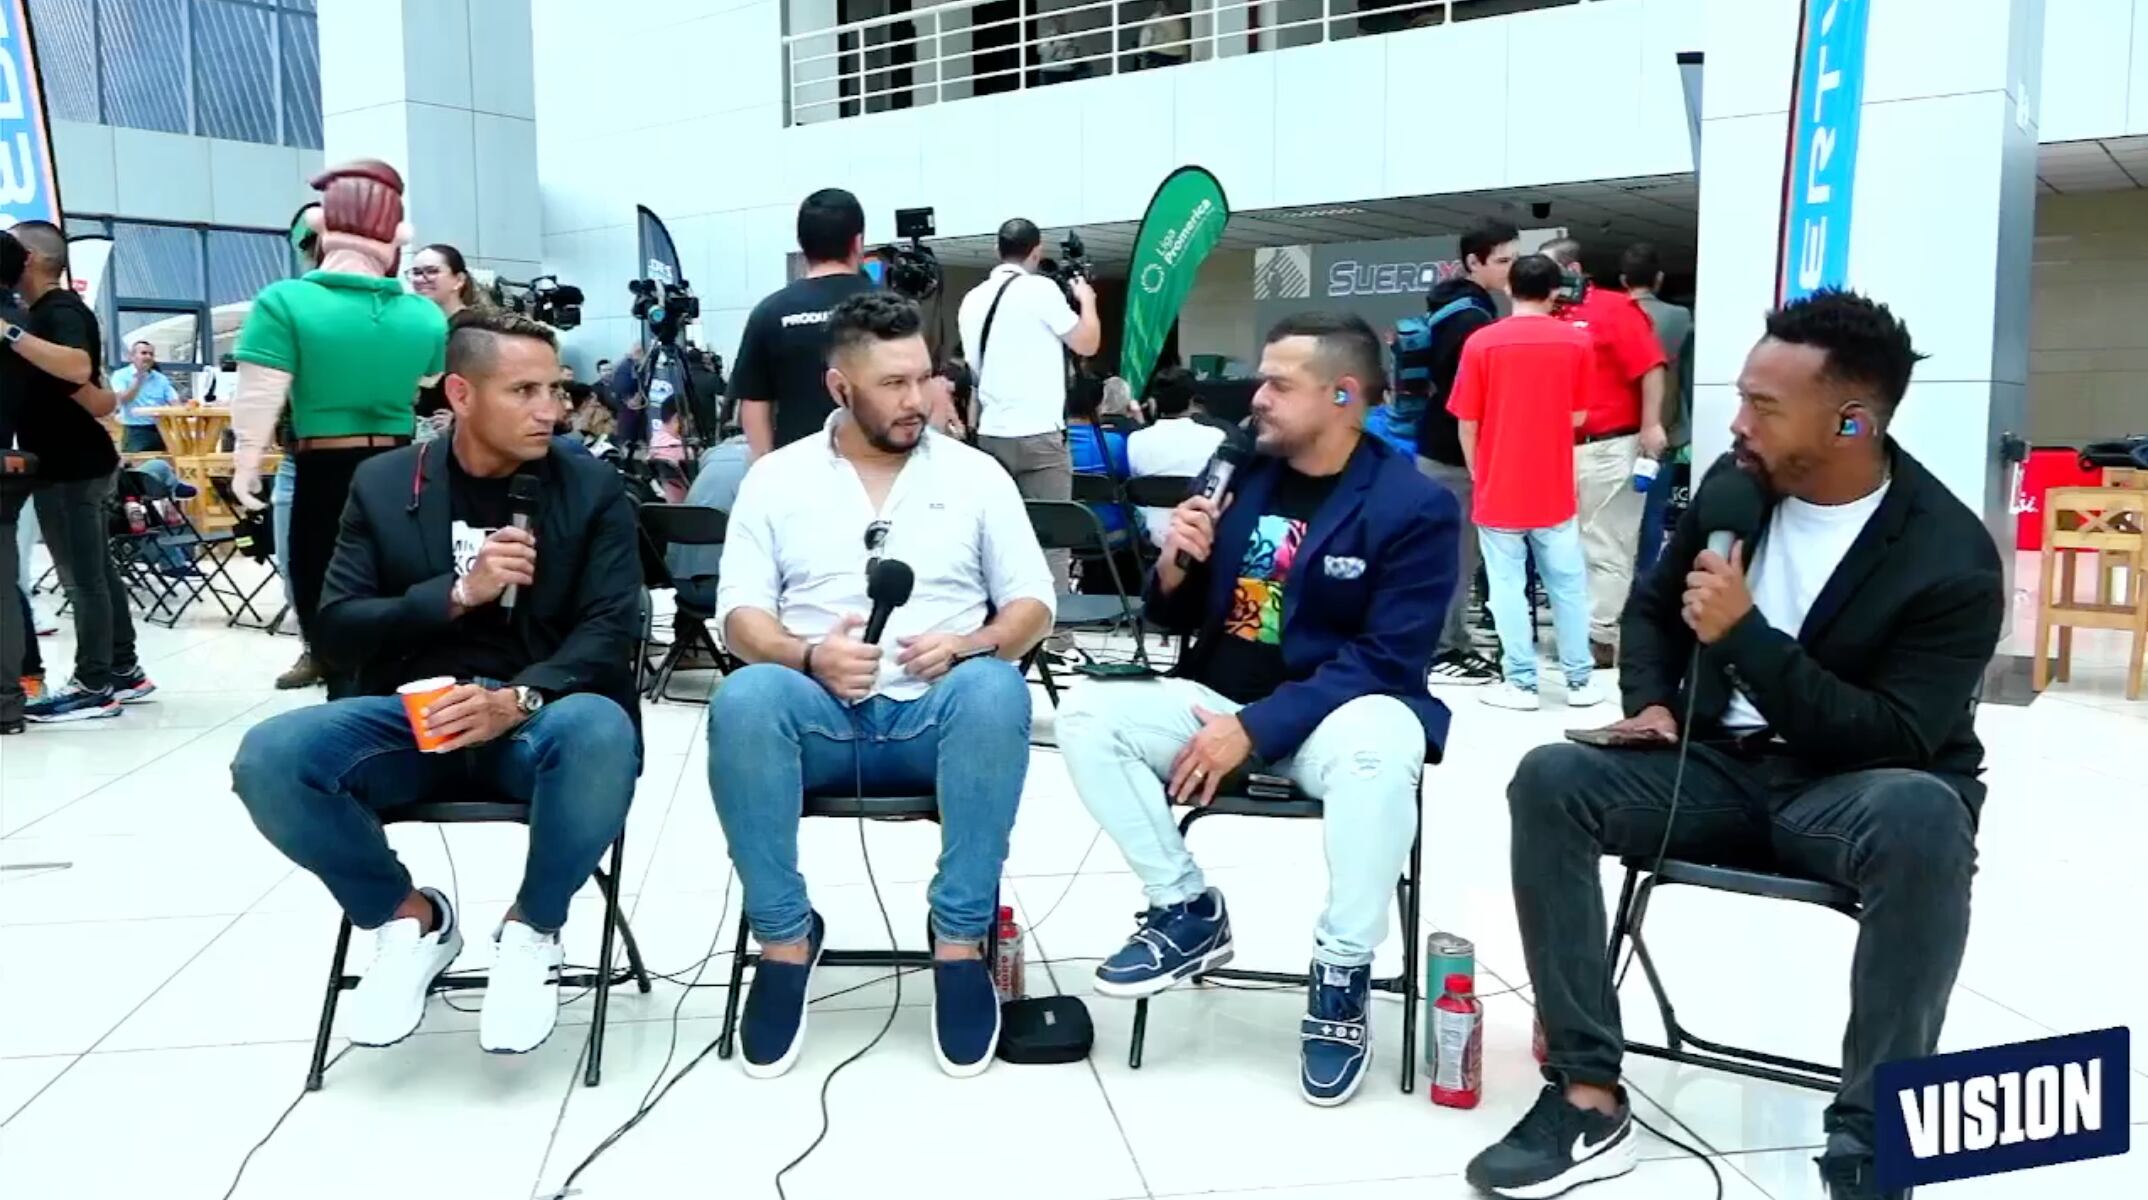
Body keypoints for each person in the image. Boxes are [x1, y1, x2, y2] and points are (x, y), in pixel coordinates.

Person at [1465, 291, 2002, 1200]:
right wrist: (1651, 704)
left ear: (1851, 420)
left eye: (1763, 404)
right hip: (1714, 771)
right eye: (1741, 398)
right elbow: (1651, 606)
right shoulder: (1735, 489)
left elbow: (1900, 738)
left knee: (1926, 816)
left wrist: (1748, 636)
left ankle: (1873, 1144)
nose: (1737, 422)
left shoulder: (1950, 558)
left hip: (1855, 791)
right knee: (1552, 778)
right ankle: (1588, 1094)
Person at [1057, 312, 1459, 1107]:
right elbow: (1175, 621)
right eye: (1259, 380)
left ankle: (1343, 970)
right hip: (1218, 698)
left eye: (1279, 383)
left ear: (1344, 395)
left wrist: (1255, 729)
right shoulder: (1238, 474)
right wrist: (1174, 567)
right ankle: (1186, 909)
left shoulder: (1413, 505)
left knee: (1385, 743)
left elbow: (1388, 659)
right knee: (1086, 716)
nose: (1256, 400)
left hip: (1334, 719)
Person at [229, 310, 642, 1057]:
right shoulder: (385, 485)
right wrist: (457, 593)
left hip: (535, 720)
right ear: (461, 392)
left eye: (556, 388)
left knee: (600, 730)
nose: (550, 409)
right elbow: (336, 627)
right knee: (270, 758)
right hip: (413, 717)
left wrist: (517, 700)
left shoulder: (591, 488)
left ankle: (534, 930)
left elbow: (612, 629)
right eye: (523, 390)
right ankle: (407, 916)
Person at [707, 292, 1054, 1080]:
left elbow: (1035, 602)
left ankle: (960, 942)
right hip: (821, 718)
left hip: (938, 719)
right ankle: (786, 940)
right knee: (745, 698)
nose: (917, 401)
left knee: (997, 689)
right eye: (893, 384)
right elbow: (738, 616)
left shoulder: (977, 475)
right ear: (839, 388)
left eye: (924, 379)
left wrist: (972, 642)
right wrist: (804, 657)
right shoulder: (777, 479)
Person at [229, 160, 450, 698]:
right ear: (397, 237)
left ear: (322, 229)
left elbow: (260, 394)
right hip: (402, 469)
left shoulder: (284, 301)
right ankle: (392, 699)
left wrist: (246, 462)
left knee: (322, 592)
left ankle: (345, 699)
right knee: (397, 590)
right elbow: (430, 377)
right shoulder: (426, 317)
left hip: (322, 467)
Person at [1, 221, 153, 723]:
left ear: (28, 257)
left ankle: (94, 683)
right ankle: (123, 669)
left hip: (72, 465)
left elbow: (74, 367)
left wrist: (10, 334)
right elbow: (93, 393)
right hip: (77, 458)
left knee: (81, 579)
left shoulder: (58, 311)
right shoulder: (45, 312)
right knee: (97, 573)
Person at [1448, 255, 1603, 712]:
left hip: (1500, 487)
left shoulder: (1481, 343)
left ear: (1509, 288)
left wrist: (1480, 472)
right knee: (1568, 586)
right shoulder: (1577, 343)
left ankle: (1520, 683)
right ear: (1555, 291)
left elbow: (1467, 422)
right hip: (1554, 486)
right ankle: (1579, 681)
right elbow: (1577, 417)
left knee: (1506, 588)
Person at [1538, 237, 1667, 666]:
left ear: (1572, 269)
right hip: (1557, 448)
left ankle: (1600, 636)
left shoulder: (1614, 310)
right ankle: (1578, 630)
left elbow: (1651, 367)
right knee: (1564, 546)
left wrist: (1652, 425)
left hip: (1610, 443)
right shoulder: (1544, 316)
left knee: (1608, 544)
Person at [958, 218, 1102, 592]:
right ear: (1037, 251)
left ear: (997, 250)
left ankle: (1005, 630)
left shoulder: (972, 300)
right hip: (1040, 435)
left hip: (990, 436)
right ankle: (1054, 638)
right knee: (1053, 541)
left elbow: (973, 369)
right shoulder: (1039, 290)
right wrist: (1086, 301)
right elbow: (1087, 343)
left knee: (998, 542)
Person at [1417, 220, 1517, 687]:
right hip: (1454, 454)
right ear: (1474, 261)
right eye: (1502, 260)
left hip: (1444, 449)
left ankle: (1449, 640)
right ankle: (1444, 646)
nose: (1510, 268)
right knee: (1455, 556)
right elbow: (1469, 401)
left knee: (1457, 555)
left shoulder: (1459, 307)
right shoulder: (1471, 318)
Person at [732, 189, 876, 458]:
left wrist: (766, 470)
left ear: (802, 244)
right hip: (874, 466)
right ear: (858, 242)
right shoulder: (889, 308)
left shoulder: (770, 312)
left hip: (796, 469)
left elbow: (753, 403)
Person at [1622, 243, 1694, 573]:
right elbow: (1687, 375)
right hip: (1661, 430)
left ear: (1624, 280)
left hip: (1613, 431)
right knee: (1652, 516)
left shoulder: (1611, 318)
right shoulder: (1679, 318)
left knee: (1610, 523)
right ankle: (1643, 586)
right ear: (1659, 278)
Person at [1124, 365, 1223, 547]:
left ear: (1153, 402)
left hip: (1149, 538)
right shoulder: (1217, 437)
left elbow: (1136, 483)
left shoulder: (1135, 440)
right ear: (1194, 402)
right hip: (1200, 538)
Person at [112, 341, 180, 452]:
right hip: (135, 430)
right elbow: (123, 399)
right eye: (144, 353)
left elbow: (174, 402)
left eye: (151, 354)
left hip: (161, 429)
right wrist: (138, 378)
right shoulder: (120, 375)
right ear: (132, 357)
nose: (148, 357)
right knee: (137, 466)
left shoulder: (161, 378)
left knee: (162, 465)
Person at [925, 356, 972, 439]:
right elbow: (951, 412)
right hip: (936, 430)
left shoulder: (931, 383)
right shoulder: (943, 389)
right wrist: (961, 430)